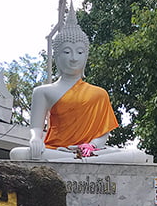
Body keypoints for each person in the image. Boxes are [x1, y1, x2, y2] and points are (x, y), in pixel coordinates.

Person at [9, 10, 148, 162]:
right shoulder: (43, 92)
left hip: (92, 152)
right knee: (18, 153)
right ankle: (78, 161)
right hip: (56, 150)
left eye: (80, 52)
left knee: (138, 156)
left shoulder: (99, 94)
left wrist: (90, 146)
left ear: (86, 56)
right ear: (56, 56)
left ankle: (82, 159)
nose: (74, 58)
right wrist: (35, 139)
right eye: (67, 52)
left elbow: (103, 133)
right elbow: (36, 127)